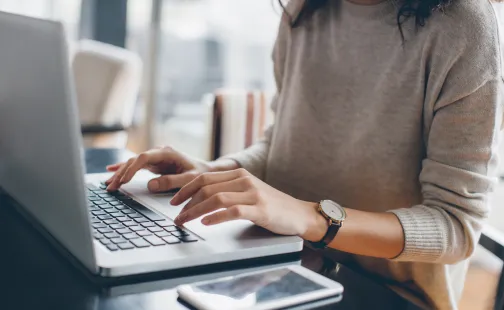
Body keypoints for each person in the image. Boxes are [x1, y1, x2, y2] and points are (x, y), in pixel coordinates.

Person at [106, 0, 503, 308]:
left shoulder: (464, 26)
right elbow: (281, 143)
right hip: (277, 261)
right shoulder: (304, 8)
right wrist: (213, 172)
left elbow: (456, 226)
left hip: (386, 295)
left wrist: (314, 217)